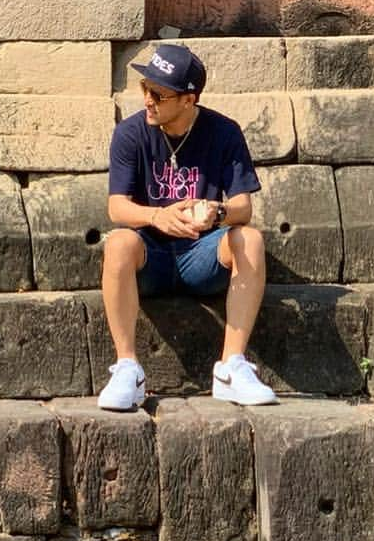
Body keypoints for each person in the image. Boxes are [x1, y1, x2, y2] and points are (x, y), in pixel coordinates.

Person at [98, 43, 277, 410]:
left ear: (188, 99)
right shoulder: (131, 134)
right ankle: (127, 368)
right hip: (151, 254)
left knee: (251, 240)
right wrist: (156, 216)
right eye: (145, 88)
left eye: (159, 95)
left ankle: (231, 367)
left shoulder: (223, 132)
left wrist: (218, 213)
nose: (148, 100)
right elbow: (117, 207)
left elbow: (244, 206)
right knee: (118, 243)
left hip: (202, 252)